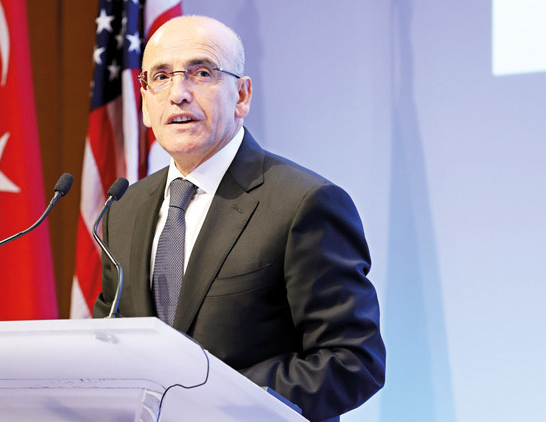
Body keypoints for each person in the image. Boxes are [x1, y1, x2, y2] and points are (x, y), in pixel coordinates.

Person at [93, 15, 385, 422]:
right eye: (160, 77)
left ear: (242, 96)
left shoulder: (304, 203)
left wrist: (216, 403)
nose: (178, 94)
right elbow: (110, 344)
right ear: (144, 101)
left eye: (201, 73)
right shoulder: (124, 209)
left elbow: (353, 361)